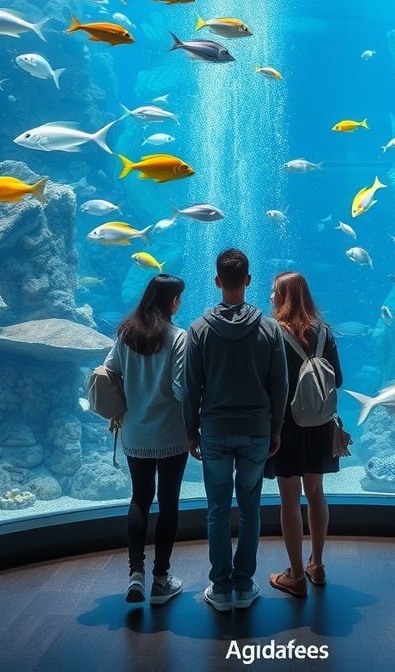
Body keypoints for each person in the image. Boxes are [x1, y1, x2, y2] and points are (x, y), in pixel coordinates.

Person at [183, 248, 288, 611]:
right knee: (250, 508)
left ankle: (221, 587)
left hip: (214, 429)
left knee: (216, 509)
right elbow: (280, 384)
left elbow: (191, 386)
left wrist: (191, 431)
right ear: (248, 280)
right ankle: (244, 585)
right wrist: (276, 429)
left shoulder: (199, 329)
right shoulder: (269, 329)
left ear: (217, 281)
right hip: (257, 430)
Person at [104, 273, 188, 606]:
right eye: (178, 298)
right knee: (168, 503)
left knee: (139, 498)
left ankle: (135, 575)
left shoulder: (126, 333)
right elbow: (181, 388)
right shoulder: (178, 337)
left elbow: (108, 371)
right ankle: (160, 581)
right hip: (171, 433)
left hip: (136, 432)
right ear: (172, 302)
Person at [268, 271, 343, 598]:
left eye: (274, 291)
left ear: (284, 297)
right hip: (320, 424)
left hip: (287, 426)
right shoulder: (324, 332)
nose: (270, 296)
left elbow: (271, 384)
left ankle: (296, 575)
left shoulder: (273, 332)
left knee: (289, 499)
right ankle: (318, 564)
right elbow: (338, 379)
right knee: (316, 492)